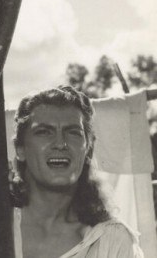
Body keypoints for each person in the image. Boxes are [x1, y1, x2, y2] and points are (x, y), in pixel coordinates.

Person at [8, 86, 144, 258]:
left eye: (73, 132)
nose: (60, 143)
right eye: (44, 132)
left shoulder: (112, 241)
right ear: (20, 149)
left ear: (88, 150)